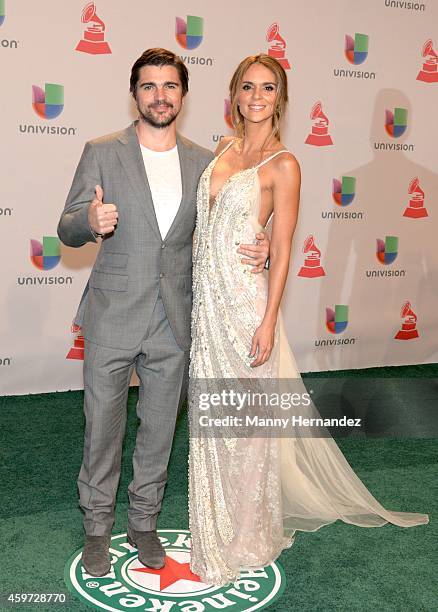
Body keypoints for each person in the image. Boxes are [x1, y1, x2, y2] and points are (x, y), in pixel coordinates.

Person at [188, 54, 429, 586]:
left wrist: (269, 320)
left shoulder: (284, 164)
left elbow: (283, 244)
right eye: (247, 86)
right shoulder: (224, 148)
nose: (256, 96)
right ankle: (216, 520)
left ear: (281, 98)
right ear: (234, 93)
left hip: (246, 307)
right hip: (207, 306)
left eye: (268, 88)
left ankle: (247, 535)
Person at [57, 48, 269, 577]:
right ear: (135, 93)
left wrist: (260, 244)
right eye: (149, 86)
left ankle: (144, 523)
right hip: (112, 314)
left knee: (157, 431)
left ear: (183, 95)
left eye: (170, 86)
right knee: (101, 427)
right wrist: (90, 217)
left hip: (176, 317)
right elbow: (65, 227)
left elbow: (226, 229)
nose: (159, 95)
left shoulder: (206, 162)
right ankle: (97, 526)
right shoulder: (102, 151)